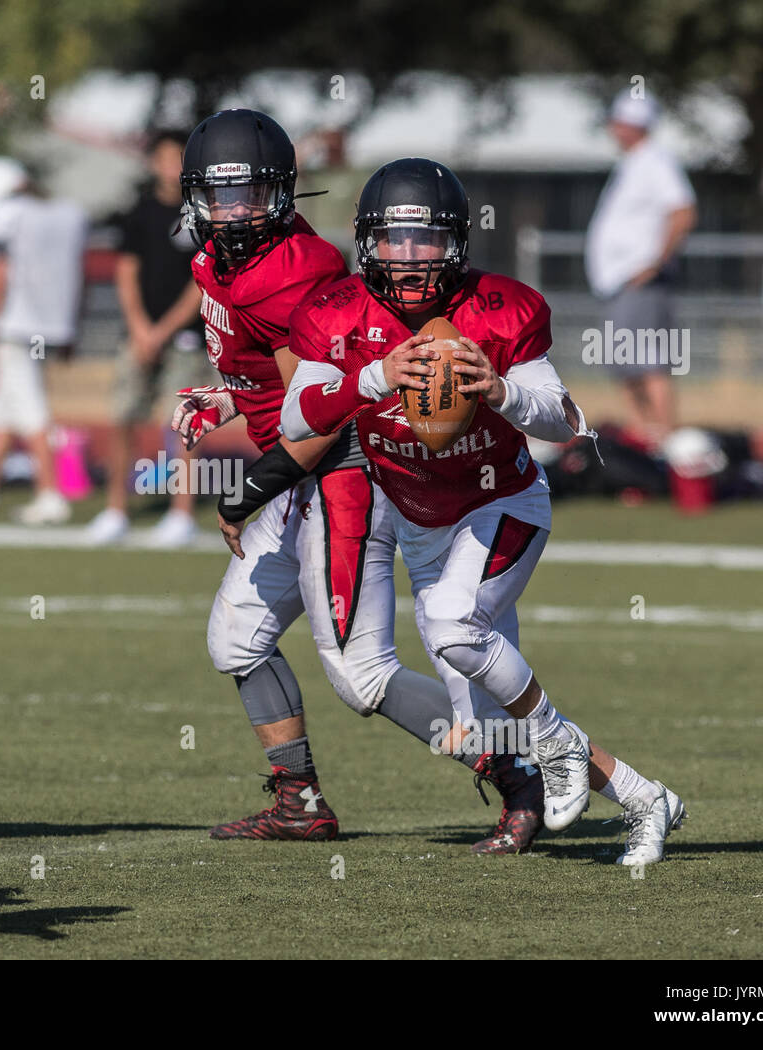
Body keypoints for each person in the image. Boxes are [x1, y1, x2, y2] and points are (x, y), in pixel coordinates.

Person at [282, 158, 686, 863]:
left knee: (448, 626)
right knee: (491, 728)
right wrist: (374, 376)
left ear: (458, 242)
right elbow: (295, 419)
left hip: (502, 504)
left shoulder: (500, 308)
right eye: (394, 240)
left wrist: (500, 392)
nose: (409, 258)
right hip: (420, 525)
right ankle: (647, 797)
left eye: (427, 240)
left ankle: (558, 743)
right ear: (365, 241)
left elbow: (566, 420)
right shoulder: (336, 313)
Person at [178, 111, 542, 849]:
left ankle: (515, 768)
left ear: (281, 195)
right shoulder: (216, 262)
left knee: (362, 677)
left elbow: (319, 412)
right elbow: (276, 382)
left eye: (250, 194)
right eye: (220, 196)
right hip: (300, 468)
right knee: (237, 640)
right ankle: (299, 800)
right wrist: (226, 398)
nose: (234, 212)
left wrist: (248, 490)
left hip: (335, 474)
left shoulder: (294, 275)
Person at [85, 128, 207, 548]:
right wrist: (141, 329)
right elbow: (126, 272)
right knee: (123, 417)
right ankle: (115, 509)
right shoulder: (138, 214)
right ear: (152, 163)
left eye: (180, 159)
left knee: (184, 423)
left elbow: (202, 282)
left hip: (185, 337)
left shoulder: (203, 216)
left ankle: (181, 514)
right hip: (137, 336)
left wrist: (163, 331)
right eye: (165, 158)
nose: (172, 167)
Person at [0, 158, 87, 526]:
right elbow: (78, 274)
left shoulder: (3, 218)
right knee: (2, 411)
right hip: (48, 325)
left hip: (14, 326)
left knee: (30, 411)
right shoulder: (59, 214)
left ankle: (50, 493)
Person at [584, 90, 696, 449]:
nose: (613, 128)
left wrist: (654, 264)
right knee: (625, 364)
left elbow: (682, 211)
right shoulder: (633, 163)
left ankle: (668, 446)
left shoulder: (655, 161)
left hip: (639, 284)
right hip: (620, 284)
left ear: (632, 124)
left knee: (648, 363)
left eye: (618, 121)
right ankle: (647, 441)